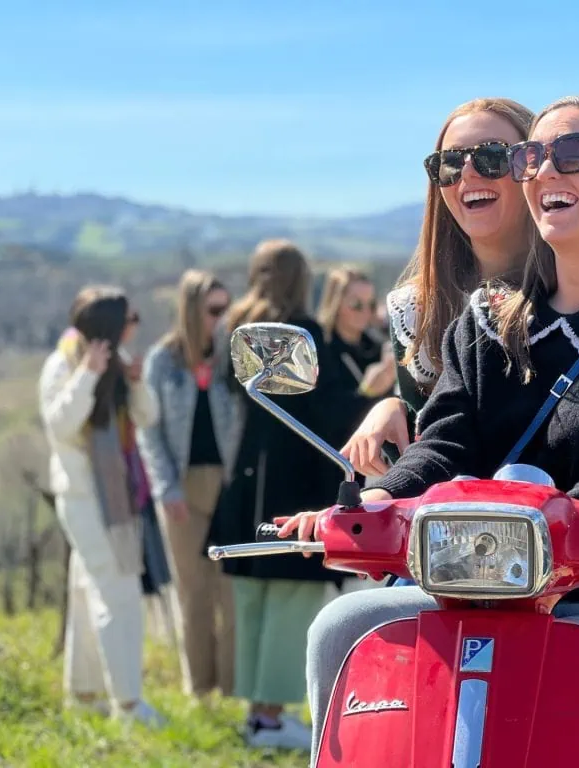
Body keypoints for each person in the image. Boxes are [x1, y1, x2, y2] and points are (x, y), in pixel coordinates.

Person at [287, 95, 579, 765]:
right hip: (477, 587)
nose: (545, 171)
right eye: (531, 157)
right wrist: (373, 502)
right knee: (338, 627)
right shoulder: (481, 323)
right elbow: (445, 442)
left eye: (572, 154)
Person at [206, 240, 353, 751]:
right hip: (294, 484)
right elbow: (326, 410)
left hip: (246, 482)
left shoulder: (237, 332)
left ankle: (256, 713)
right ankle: (270, 719)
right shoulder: (302, 335)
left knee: (254, 605)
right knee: (292, 604)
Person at [37, 285, 164, 726]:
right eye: (131, 319)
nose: (136, 326)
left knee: (87, 592)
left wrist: (135, 381)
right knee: (118, 593)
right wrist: (87, 375)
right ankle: (128, 705)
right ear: (109, 326)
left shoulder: (118, 368)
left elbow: (147, 418)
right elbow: (60, 426)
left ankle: (84, 693)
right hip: (82, 497)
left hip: (115, 498)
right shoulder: (64, 365)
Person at [137, 269, 237, 698]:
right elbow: (150, 433)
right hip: (182, 486)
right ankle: (199, 690)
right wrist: (166, 489)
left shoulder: (234, 356)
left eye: (226, 308)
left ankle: (236, 688)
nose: (222, 317)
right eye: (215, 309)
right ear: (192, 310)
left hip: (230, 484)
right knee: (193, 594)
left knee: (231, 594)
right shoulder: (162, 361)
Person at [313, 267, 397, 461]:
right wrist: (368, 391)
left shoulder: (376, 347)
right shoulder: (321, 350)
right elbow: (326, 416)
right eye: (356, 304)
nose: (365, 312)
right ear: (335, 303)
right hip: (332, 462)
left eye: (371, 305)